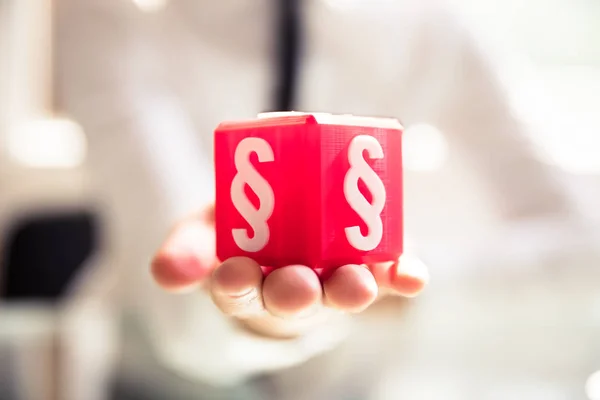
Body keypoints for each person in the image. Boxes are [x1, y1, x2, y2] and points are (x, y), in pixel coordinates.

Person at [54, 0, 577, 399]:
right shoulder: (117, 13)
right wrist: (250, 312)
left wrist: (402, 286)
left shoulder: (432, 25)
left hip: (358, 382)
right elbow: (181, 315)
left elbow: (584, 254)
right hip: (156, 380)